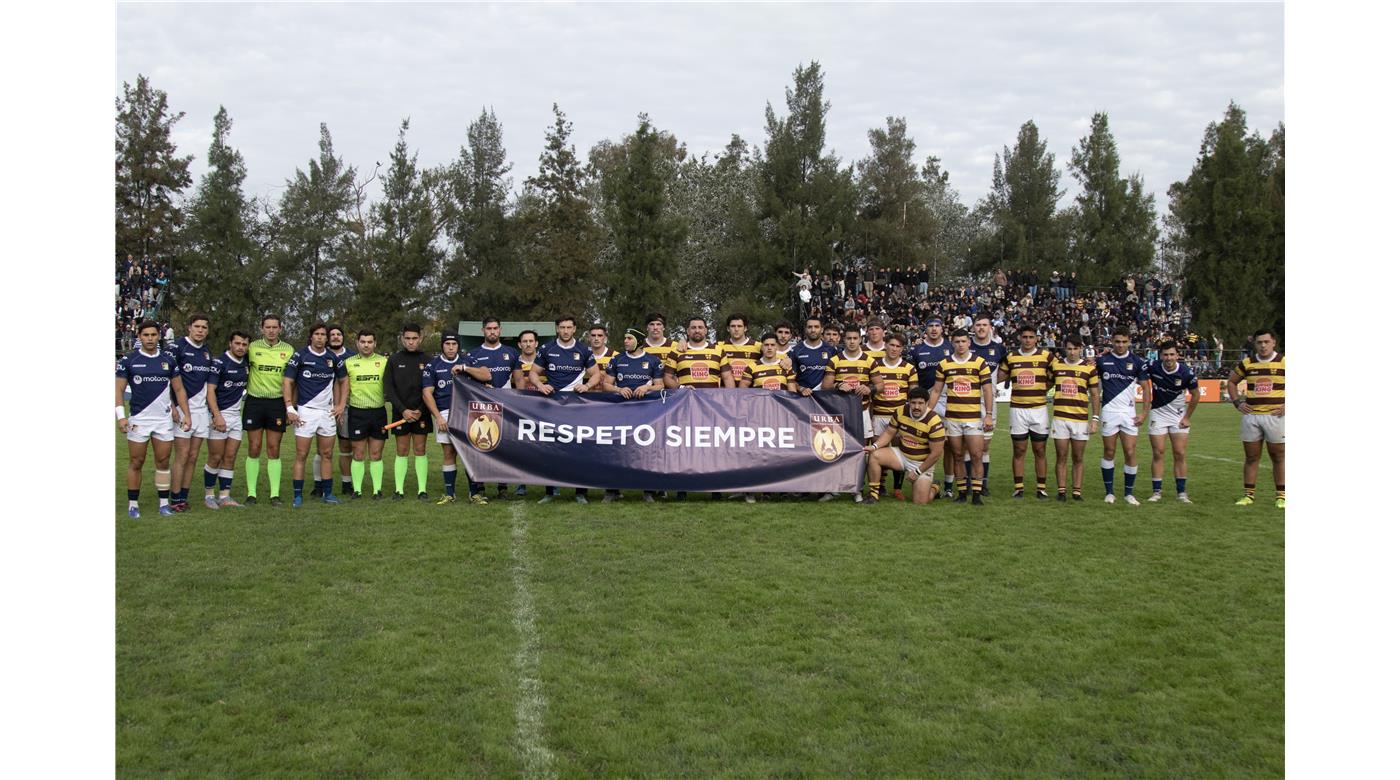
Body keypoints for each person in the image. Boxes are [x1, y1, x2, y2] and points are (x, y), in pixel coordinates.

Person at [116, 320, 192, 517]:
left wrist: (186, 415)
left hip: (163, 421)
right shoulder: (128, 360)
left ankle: (164, 504)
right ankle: (133, 504)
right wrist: (121, 417)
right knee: (136, 461)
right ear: (139, 337)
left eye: (153, 335)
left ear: (159, 336)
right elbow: (118, 390)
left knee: (163, 461)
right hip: (139, 420)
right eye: (146, 335)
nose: (150, 339)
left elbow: (178, 389)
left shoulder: (168, 360)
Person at [530, 315, 603, 503]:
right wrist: (540, 385)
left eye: (569, 327)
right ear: (557, 329)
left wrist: (587, 386)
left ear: (574, 329)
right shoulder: (547, 349)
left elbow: (595, 375)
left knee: (579, 448)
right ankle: (550, 491)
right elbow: (533, 373)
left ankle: (581, 492)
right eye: (562, 327)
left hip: (576, 407)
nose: (565, 331)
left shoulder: (583, 350)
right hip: (552, 406)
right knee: (551, 448)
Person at [662, 317, 733, 501]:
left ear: (706, 330)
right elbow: (667, 378)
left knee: (713, 447)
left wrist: (729, 399)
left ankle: (716, 489)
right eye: (693, 327)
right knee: (684, 447)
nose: (697, 330)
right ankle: (682, 488)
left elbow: (727, 377)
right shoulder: (677, 350)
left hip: (712, 408)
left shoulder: (718, 350)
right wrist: (681, 388)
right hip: (685, 408)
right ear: (687, 330)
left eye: (700, 327)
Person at [283, 322, 348, 507]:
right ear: (311, 336)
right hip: (306, 412)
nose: (320, 337)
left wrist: (341, 405)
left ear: (326, 338)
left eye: (323, 334)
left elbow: (344, 381)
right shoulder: (300, 355)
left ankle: (327, 493)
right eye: (317, 334)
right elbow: (288, 382)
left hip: (327, 412)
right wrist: (289, 408)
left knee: (327, 454)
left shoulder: (332, 358)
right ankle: (297, 495)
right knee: (301, 454)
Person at [928, 329, 994, 505]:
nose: (960, 344)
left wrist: (988, 414)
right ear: (952, 343)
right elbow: (936, 390)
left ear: (969, 343)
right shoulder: (945, 364)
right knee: (957, 455)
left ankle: (977, 495)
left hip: (973, 418)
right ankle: (962, 493)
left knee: (976, 454)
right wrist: (927, 412)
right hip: (953, 418)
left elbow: (987, 389)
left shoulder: (980, 363)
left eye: (963, 341)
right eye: (957, 342)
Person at [600, 328, 666, 503]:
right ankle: (612, 490)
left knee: (645, 451)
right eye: (625, 338)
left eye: (629, 338)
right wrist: (619, 389)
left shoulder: (653, 361)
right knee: (616, 451)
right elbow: (606, 384)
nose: (626, 341)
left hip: (646, 413)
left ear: (638, 341)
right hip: (620, 413)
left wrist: (647, 388)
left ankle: (649, 491)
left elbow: (660, 385)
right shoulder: (617, 360)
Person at [423, 332, 484, 505]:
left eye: (454, 344)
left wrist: (465, 369)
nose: (451, 347)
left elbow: (487, 375)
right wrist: (438, 417)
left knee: (470, 453)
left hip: (468, 413)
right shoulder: (433, 365)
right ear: (442, 345)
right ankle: (450, 493)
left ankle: (475, 494)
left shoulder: (468, 360)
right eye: (447, 344)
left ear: (458, 345)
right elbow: (427, 393)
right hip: (445, 413)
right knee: (449, 453)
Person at [1228, 329, 1285, 508]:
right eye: (1259, 342)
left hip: (1275, 416)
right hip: (1251, 416)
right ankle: (1248, 495)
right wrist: (1237, 403)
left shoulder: (1284, 362)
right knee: (1251, 457)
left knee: (1278, 456)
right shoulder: (1247, 363)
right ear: (1255, 344)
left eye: (1266, 342)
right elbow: (1231, 382)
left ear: (1273, 342)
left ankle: (1281, 497)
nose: (1263, 345)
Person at [242, 315, 296, 506]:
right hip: (254, 402)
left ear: (280, 329)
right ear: (262, 328)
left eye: (275, 327)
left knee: (274, 448)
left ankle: (274, 494)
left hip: (277, 403)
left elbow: (292, 381)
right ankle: (251, 494)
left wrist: (291, 406)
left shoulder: (288, 350)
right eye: (268, 327)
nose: (271, 330)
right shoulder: (252, 347)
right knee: (254, 447)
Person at [860, 387, 946, 505]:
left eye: (920, 403)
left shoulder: (934, 421)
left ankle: (935, 487)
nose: (916, 407)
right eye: (913, 403)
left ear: (927, 403)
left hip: (921, 463)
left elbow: (936, 454)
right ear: (908, 402)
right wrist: (874, 446)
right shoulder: (900, 411)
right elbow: (889, 432)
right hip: (902, 455)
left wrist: (917, 472)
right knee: (874, 455)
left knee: (921, 502)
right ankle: (873, 495)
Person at [465, 317, 520, 499]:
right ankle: (479, 486)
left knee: (502, 447)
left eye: (495, 328)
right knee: (480, 445)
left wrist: (520, 401)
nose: (492, 332)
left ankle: (502, 487)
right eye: (489, 328)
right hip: (481, 408)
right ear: (483, 331)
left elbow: (518, 379)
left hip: (506, 407)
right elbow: (468, 382)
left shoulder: (511, 352)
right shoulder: (473, 354)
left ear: (500, 330)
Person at [819, 325, 876, 502]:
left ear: (860, 339)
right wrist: (837, 385)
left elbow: (880, 385)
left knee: (861, 451)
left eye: (855, 338)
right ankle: (833, 488)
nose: (851, 342)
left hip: (863, 412)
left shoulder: (869, 360)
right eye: (848, 339)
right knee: (836, 450)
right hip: (840, 415)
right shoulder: (835, 360)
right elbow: (825, 386)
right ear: (844, 340)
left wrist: (869, 388)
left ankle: (857, 488)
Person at [1096, 328, 1151, 505]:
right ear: (1112, 341)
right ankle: (1109, 492)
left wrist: (1144, 413)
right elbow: (1093, 385)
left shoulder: (1137, 362)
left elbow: (1146, 388)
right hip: (1109, 412)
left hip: (1129, 414)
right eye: (1117, 341)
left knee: (1130, 452)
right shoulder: (1102, 360)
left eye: (1124, 341)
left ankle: (1129, 493)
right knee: (1109, 451)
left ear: (1129, 342)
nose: (1120, 345)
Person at [999, 324, 1053, 500]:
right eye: (1025, 337)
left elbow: (1056, 375)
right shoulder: (1011, 357)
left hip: (1039, 409)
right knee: (1019, 450)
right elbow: (998, 377)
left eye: (1031, 337)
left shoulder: (1046, 356)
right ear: (1020, 338)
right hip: (1018, 410)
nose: (1028, 340)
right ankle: (1019, 488)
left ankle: (1041, 488)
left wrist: (1044, 388)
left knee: (1040, 450)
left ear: (1036, 338)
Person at [168, 313, 215, 512]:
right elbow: (166, 377)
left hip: (201, 411)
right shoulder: (177, 348)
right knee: (183, 455)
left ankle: (183, 497)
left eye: (204, 327)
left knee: (194, 456)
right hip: (182, 410)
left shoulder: (206, 353)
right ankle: (174, 497)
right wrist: (171, 405)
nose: (200, 330)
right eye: (197, 326)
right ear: (189, 327)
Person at [1145, 340, 1200, 503]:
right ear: (1161, 355)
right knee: (1158, 452)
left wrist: (1187, 417)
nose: (1168, 358)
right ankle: (1156, 492)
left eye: (1172, 354)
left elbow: (1196, 395)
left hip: (1178, 417)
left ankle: (1181, 493)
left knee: (1180, 453)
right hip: (1158, 414)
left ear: (1177, 355)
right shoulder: (1153, 366)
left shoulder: (1186, 372)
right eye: (1165, 355)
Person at [908, 317, 956, 498]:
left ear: (942, 328)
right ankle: (926, 478)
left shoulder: (951, 347)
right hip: (925, 401)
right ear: (925, 329)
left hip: (949, 398)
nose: (934, 329)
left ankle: (950, 486)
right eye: (931, 326)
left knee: (951, 444)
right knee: (924, 443)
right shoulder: (917, 350)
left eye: (937, 325)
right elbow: (911, 378)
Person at [1050, 335, 1101, 500]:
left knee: (1078, 457)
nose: (1072, 352)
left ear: (1081, 349)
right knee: (1061, 456)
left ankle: (1077, 491)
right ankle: (1061, 491)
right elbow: (1046, 383)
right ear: (1065, 348)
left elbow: (1094, 394)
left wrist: (1095, 419)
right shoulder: (1057, 366)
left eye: (1075, 349)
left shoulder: (1089, 368)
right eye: (1069, 348)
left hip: (1080, 419)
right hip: (1060, 418)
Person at [384, 323, 431, 501]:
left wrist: (419, 410)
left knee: (420, 450)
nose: (411, 342)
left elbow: (430, 389)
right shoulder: (394, 360)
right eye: (408, 339)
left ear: (420, 338)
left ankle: (422, 490)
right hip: (400, 414)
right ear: (402, 339)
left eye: (414, 338)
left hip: (421, 413)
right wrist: (403, 410)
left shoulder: (428, 360)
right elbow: (389, 388)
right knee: (401, 450)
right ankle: (399, 490)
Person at [204, 330, 251, 508]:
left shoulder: (246, 363)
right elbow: (210, 391)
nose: (240, 347)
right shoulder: (220, 362)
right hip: (219, 416)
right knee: (215, 456)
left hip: (235, 417)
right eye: (237, 343)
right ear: (230, 343)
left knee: (230, 457)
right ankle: (209, 495)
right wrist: (217, 416)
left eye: (244, 344)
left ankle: (224, 496)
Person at [342, 329, 389, 500]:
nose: (366, 345)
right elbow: (342, 386)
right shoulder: (348, 362)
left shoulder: (384, 361)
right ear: (357, 343)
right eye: (363, 342)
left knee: (376, 454)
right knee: (358, 454)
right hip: (357, 412)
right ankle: (358, 490)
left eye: (370, 342)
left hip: (378, 412)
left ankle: (377, 490)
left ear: (375, 343)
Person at [870, 332, 918, 499]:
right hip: (879, 415)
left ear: (902, 349)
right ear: (885, 345)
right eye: (891, 345)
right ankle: (880, 486)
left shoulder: (909, 368)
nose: (894, 349)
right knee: (878, 451)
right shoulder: (875, 366)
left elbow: (913, 396)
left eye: (898, 346)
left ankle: (897, 488)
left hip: (899, 418)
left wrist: (909, 417)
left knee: (900, 451)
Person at [969, 314, 1008, 496]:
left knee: (984, 446)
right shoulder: (967, 346)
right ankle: (969, 483)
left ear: (990, 327)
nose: (981, 328)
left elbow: (1006, 370)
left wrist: (992, 386)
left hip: (988, 403)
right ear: (973, 327)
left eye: (985, 325)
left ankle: (982, 483)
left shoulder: (999, 348)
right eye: (978, 325)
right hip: (967, 401)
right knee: (967, 446)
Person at [324, 323, 354, 496]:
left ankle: (346, 483)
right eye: (332, 334)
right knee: (323, 448)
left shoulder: (351, 356)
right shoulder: (321, 355)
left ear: (343, 337)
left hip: (346, 407)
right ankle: (319, 484)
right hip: (323, 408)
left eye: (339, 334)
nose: (335, 337)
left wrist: (342, 406)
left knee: (345, 445)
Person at [718, 313, 761, 385]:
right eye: (733, 326)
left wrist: (786, 360)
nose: (736, 329)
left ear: (745, 328)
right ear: (728, 328)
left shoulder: (758, 346)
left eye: (739, 326)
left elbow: (775, 356)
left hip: (750, 392)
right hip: (727, 392)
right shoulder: (719, 346)